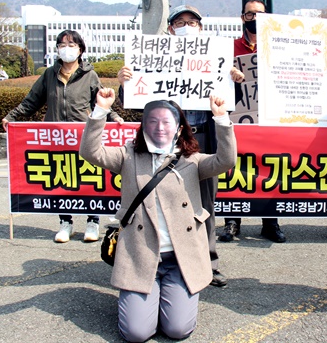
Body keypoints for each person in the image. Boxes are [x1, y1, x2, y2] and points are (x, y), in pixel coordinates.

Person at [79, 90, 237, 342]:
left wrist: (221, 119)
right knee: (136, 333)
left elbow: (226, 161)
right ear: (143, 127)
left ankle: (164, 297)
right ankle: (143, 301)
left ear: (179, 128)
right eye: (152, 121)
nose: (159, 127)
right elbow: (91, 152)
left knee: (177, 330)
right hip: (141, 256)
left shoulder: (192, 160)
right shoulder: (128, 155)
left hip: (180, 259)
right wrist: (101, 111)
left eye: (167, 121)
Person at [117, 4, 245, 287]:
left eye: (193, 21)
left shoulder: (217, 59)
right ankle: (153, 262)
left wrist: (234, 81)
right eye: (180, 22)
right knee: (160, 202)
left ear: (201, 27)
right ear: (171, 29)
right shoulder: (154, 57)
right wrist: (125, 83)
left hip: (204, 140)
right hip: (167, 143)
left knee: (205, 204)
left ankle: (207, 263)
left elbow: (230, 104)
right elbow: (138, 103)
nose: (187, 26)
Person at [2, 30, 123, 243]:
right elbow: (32, 101)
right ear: (57, 48)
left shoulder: (90, 75)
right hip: (56, 139)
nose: (67, 48)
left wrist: (116, 118)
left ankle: (92, 222)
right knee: (62, 180)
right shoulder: (49, 74)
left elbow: (101, 100)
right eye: (62, 44)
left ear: (80, 49)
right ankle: (65, 222)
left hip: (84, 137)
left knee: (89, 178)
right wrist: (12, 116)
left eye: (72, 44)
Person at [219, 0, 287, 244]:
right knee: (234, 166)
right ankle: (232, 221)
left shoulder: (279, 47)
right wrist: (229, 73)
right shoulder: (228, 48)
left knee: (270, 167)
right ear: (242, 18)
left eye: (259, 14)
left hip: (270, 119)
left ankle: (270, 221)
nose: (254, 19)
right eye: (250, 14)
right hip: (237, 115)